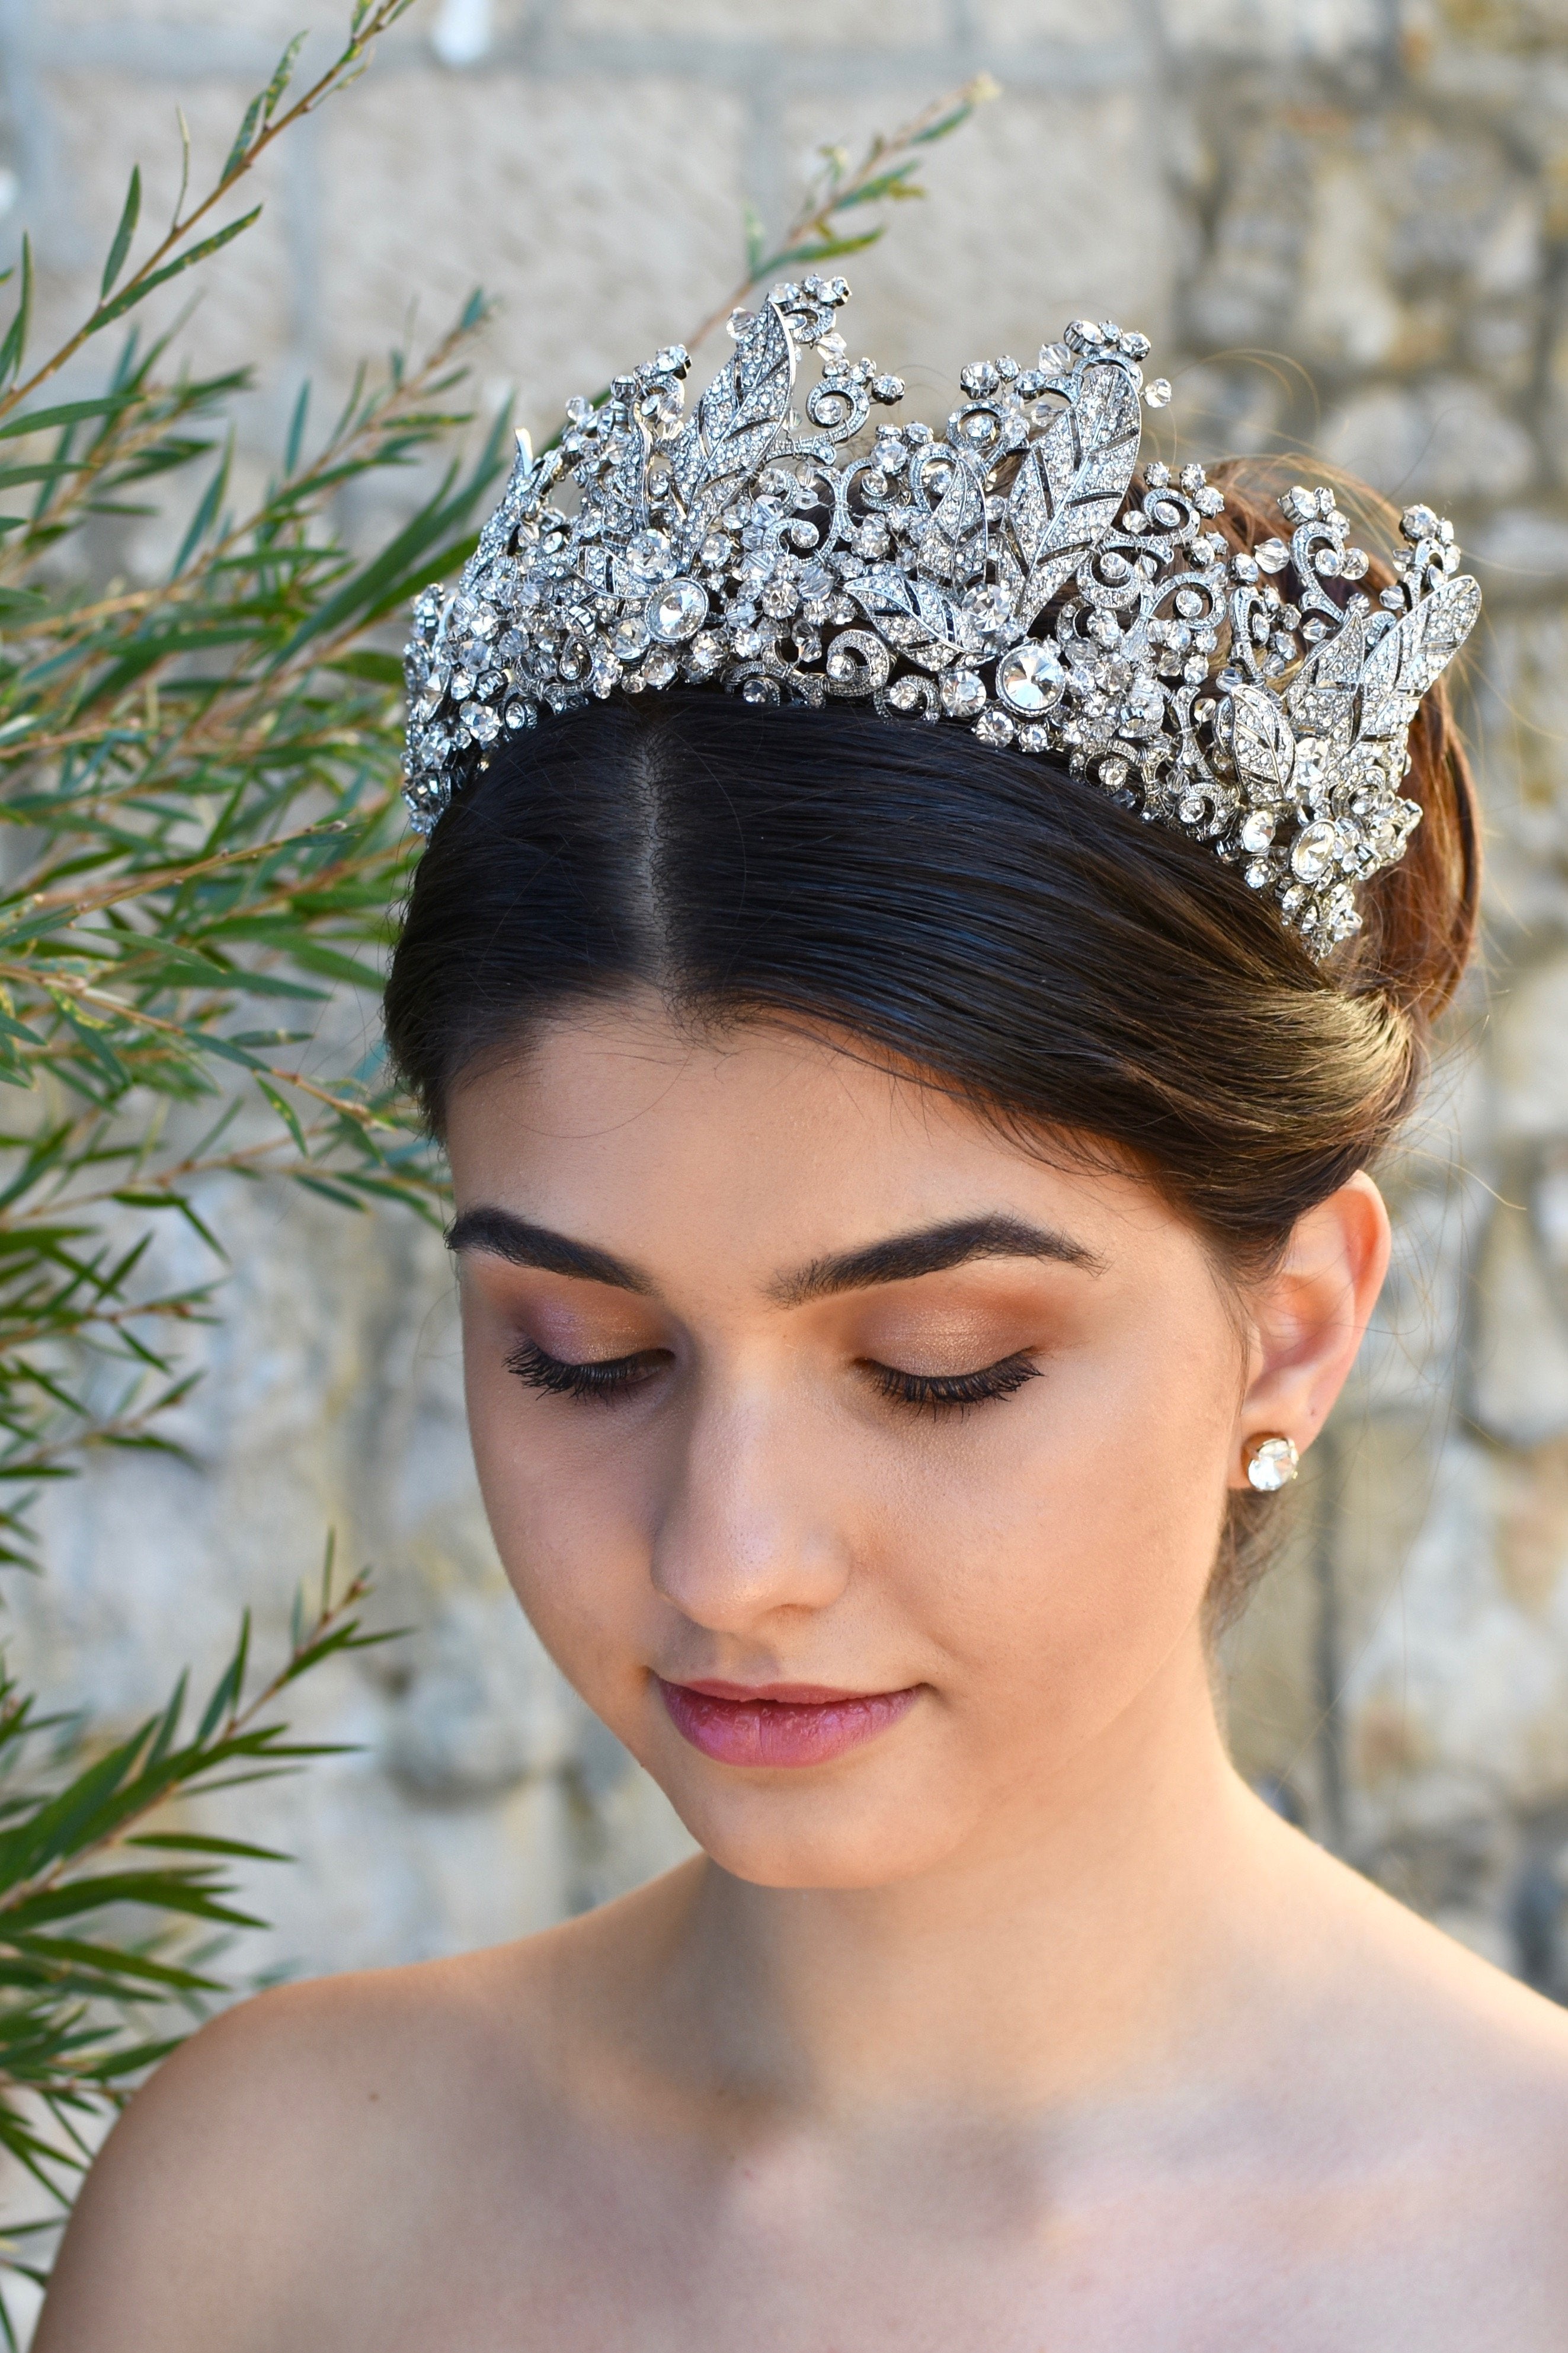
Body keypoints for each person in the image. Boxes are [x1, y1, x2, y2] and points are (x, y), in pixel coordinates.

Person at [39, 293, 1568, 2352]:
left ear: (1292, 1326)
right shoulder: (266, 2214)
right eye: (585, 1349)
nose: (727, 1559)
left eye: (940, 1363)